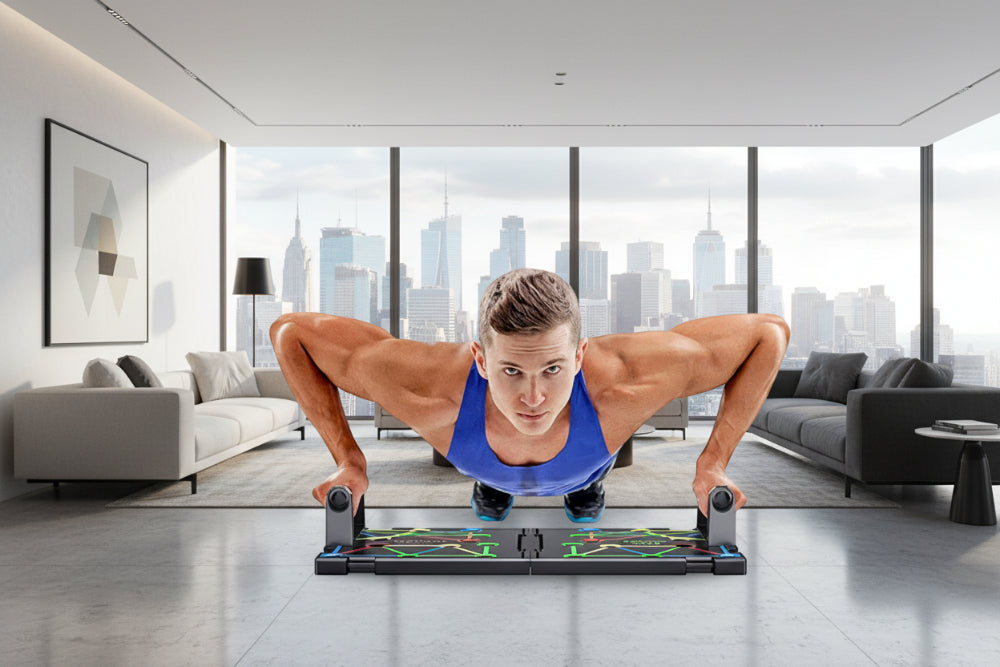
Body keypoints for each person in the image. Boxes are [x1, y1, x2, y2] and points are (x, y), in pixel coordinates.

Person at [270, 268, 789, 522]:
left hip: (588, 461)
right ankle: (492, 485)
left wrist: (713, 463)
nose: (534, 397)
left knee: (585, 489)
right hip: (481, 455)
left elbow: (769, 334)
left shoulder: (620, 383)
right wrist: (350, 460)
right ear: (481, 360)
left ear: (580, 357)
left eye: (553, 369)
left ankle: (585, 487)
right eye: (512, 371)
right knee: (494, 486)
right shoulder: (432, 389)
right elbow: (290, 333)